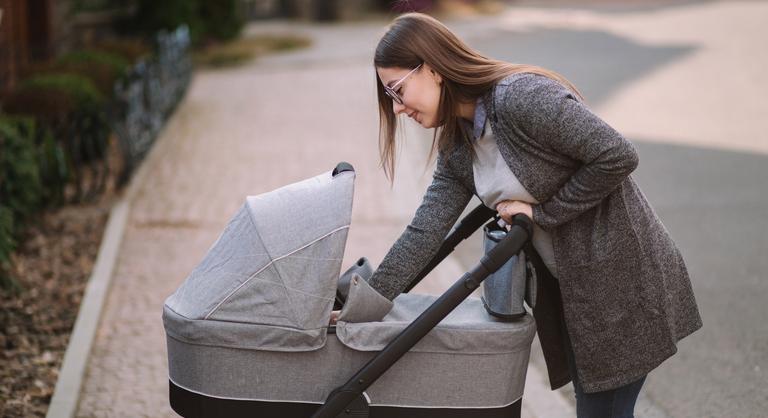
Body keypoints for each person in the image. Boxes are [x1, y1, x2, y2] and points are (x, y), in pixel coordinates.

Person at [332, 12, 702, 418]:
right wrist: (365, 306)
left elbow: (616, 154)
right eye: (390, 97)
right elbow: (424, 233)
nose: (398, 108)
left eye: (397, 90)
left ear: (433, 70)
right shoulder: (458, 146)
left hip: (620, 281)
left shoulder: (520, 97)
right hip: (575, 298)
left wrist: (541, 214)